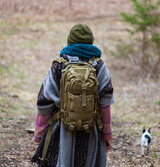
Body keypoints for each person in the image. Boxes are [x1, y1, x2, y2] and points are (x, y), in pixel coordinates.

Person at [31, 23, 114, 167]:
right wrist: (107, 134)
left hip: (62, 130)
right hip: (91, 131)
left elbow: (44, 101)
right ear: (91, 41)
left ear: (69, 41)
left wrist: (39, 133)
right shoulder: (100, 66)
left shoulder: (59, 65)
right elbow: (105, 105)